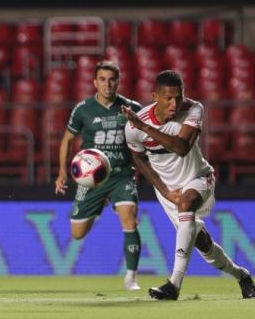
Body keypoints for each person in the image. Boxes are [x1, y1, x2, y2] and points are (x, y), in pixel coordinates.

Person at [123, 70, 255, 300]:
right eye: (168, 98)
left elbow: (182, 148)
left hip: (199, 178)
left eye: (178, 96)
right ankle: (242, 276)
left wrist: (146, 128)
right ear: (155, 96)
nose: (175, 103)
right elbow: (139, 159)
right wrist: (165, 191)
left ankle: (173, 284)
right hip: (168, 191)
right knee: (203, 245)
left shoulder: (193, 109)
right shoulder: (133, 127)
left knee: (187, 201)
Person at [55, 61, 143, 290]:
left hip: (122, 175)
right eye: (102, 79)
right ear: (95, 82)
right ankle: (100, 205)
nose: (107, 84)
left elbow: (147, 138)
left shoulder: (130, 107)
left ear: (118, 82)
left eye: (112, 79)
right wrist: (62, 172)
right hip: (92, 179)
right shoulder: (83, 109)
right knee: (77, 233)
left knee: (130, 218)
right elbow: (67, 139)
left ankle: (131, 277)